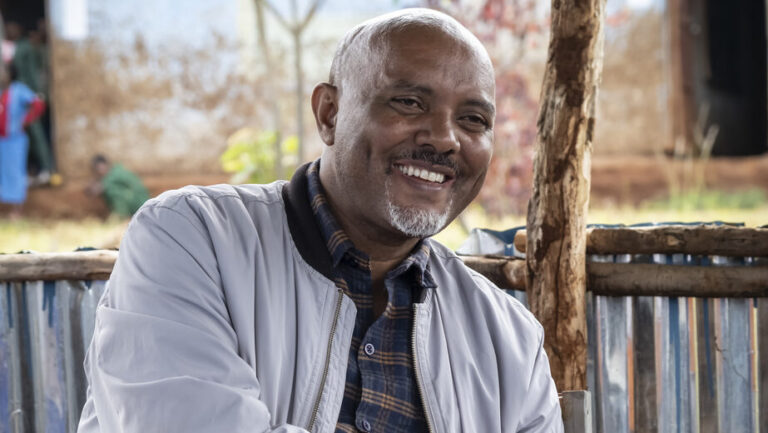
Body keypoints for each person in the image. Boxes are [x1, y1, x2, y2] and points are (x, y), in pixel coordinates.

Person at [77, 9, 563, 433]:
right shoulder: (192, 240)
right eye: (410, 102)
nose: (444, 139)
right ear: (329, 113)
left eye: (474, 119)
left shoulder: (509, 341)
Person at [0, 64, 45, 219]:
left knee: (15, 172)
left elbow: (38, 103)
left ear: (10, 74)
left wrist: (26, 120)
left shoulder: (18, 89)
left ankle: (17, 210)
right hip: (3, 141)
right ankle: (7, 210)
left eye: (2, 71)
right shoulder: (2, 92)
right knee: (4, 173)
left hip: (15, 140)